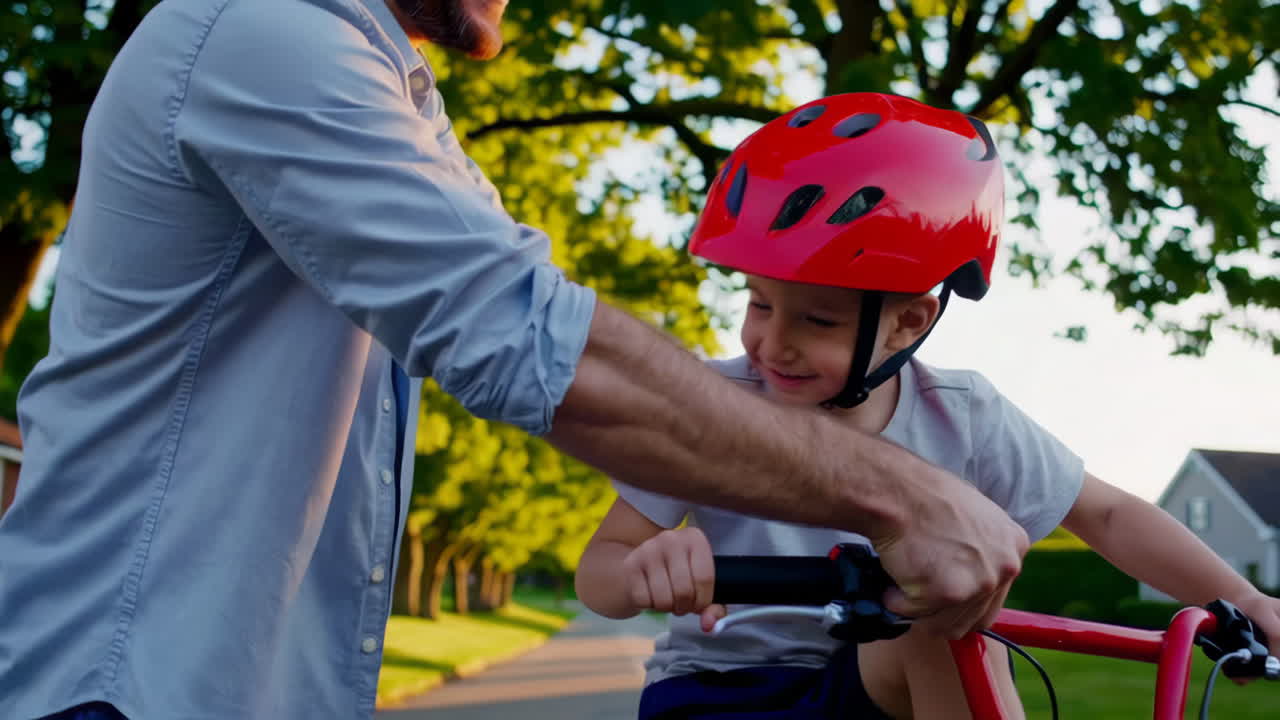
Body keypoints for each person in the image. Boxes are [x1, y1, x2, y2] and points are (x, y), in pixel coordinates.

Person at [0, 2, 1031, 720]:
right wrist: (907, 498)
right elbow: (529, 337)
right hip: (121, 688)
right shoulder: (265, 35)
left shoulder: (391, 97)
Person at [575, 92, 1280, 720]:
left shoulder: (962, 415)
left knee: (946, 609)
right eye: (759, 303)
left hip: (870, 686)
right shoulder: (712, 408)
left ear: (910, 322)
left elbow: (1109, 513)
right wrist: (651, 567)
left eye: (817, 321)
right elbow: (600, 573)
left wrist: (1245, 603)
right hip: (719, 691)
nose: (772, 343)